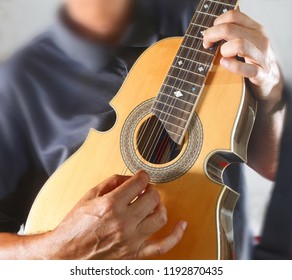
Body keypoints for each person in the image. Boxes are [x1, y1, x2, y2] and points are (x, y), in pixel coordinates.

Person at [0, 0, 285, 259]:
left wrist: (271, 94)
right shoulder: (22, 79)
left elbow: (275, 166)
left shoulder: (216, 34)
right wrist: (58, 250)